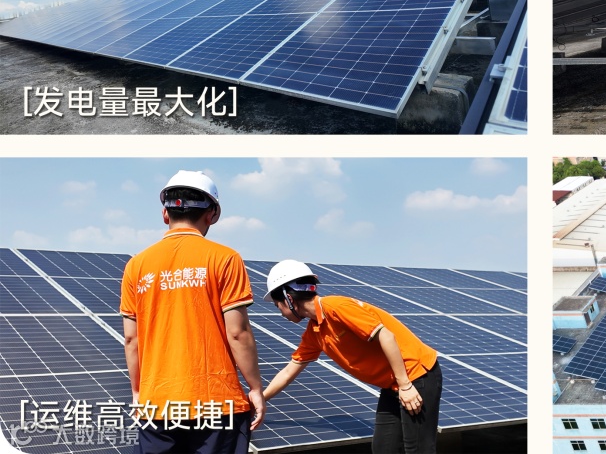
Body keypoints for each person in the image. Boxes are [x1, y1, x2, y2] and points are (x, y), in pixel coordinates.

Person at [120, 170, 266, 454]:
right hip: (218, 403)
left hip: (157, 404)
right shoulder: (225, 259)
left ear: (165, 214)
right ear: (212, 215)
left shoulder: (136, 266)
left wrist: (138, 392)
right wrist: (255, 388)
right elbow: (237, 333)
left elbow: (131, 340)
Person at [261, 260, 441, 453]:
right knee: (384, 448)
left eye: (278, 305)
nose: (280, 313)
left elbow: (386, 336)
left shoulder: (336, 307)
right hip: (393, 384)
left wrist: (405, 385)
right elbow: (289, 371)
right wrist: (259, 400)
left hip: (415, 375)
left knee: (418, 449)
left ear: (289, 299)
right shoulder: (314, 332)